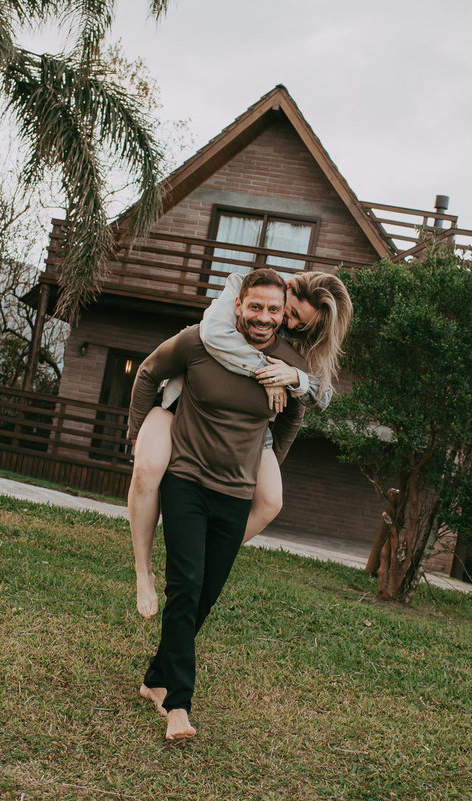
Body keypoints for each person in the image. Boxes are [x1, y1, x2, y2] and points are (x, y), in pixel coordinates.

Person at [127, 268, 308, 741]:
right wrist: (137, 434)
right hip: (186, 481)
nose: (264, 317)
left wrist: (268, 460)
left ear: (283, 314)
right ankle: (178, 706)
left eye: (273, 309)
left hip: (237, 493)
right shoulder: (199, 342)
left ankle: (155, 679)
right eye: (256, 306)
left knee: (203, 594)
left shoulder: (285, 361)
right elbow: (148, 372)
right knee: (186, 585)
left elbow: (296, 413)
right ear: (238, 305)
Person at [128, 270, 353, 618]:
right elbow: (211, 339)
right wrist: (136, 433)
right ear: (286, 290)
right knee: (146, 468)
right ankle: (144, 571)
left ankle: (203, 553)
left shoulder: (290, 349)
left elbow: (305, 406)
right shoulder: (239, 300)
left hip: (249, 432)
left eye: (301, 325)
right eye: (292, 313)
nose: (291, 325)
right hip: (182, 404)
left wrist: (293, 378)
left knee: (271, 500)